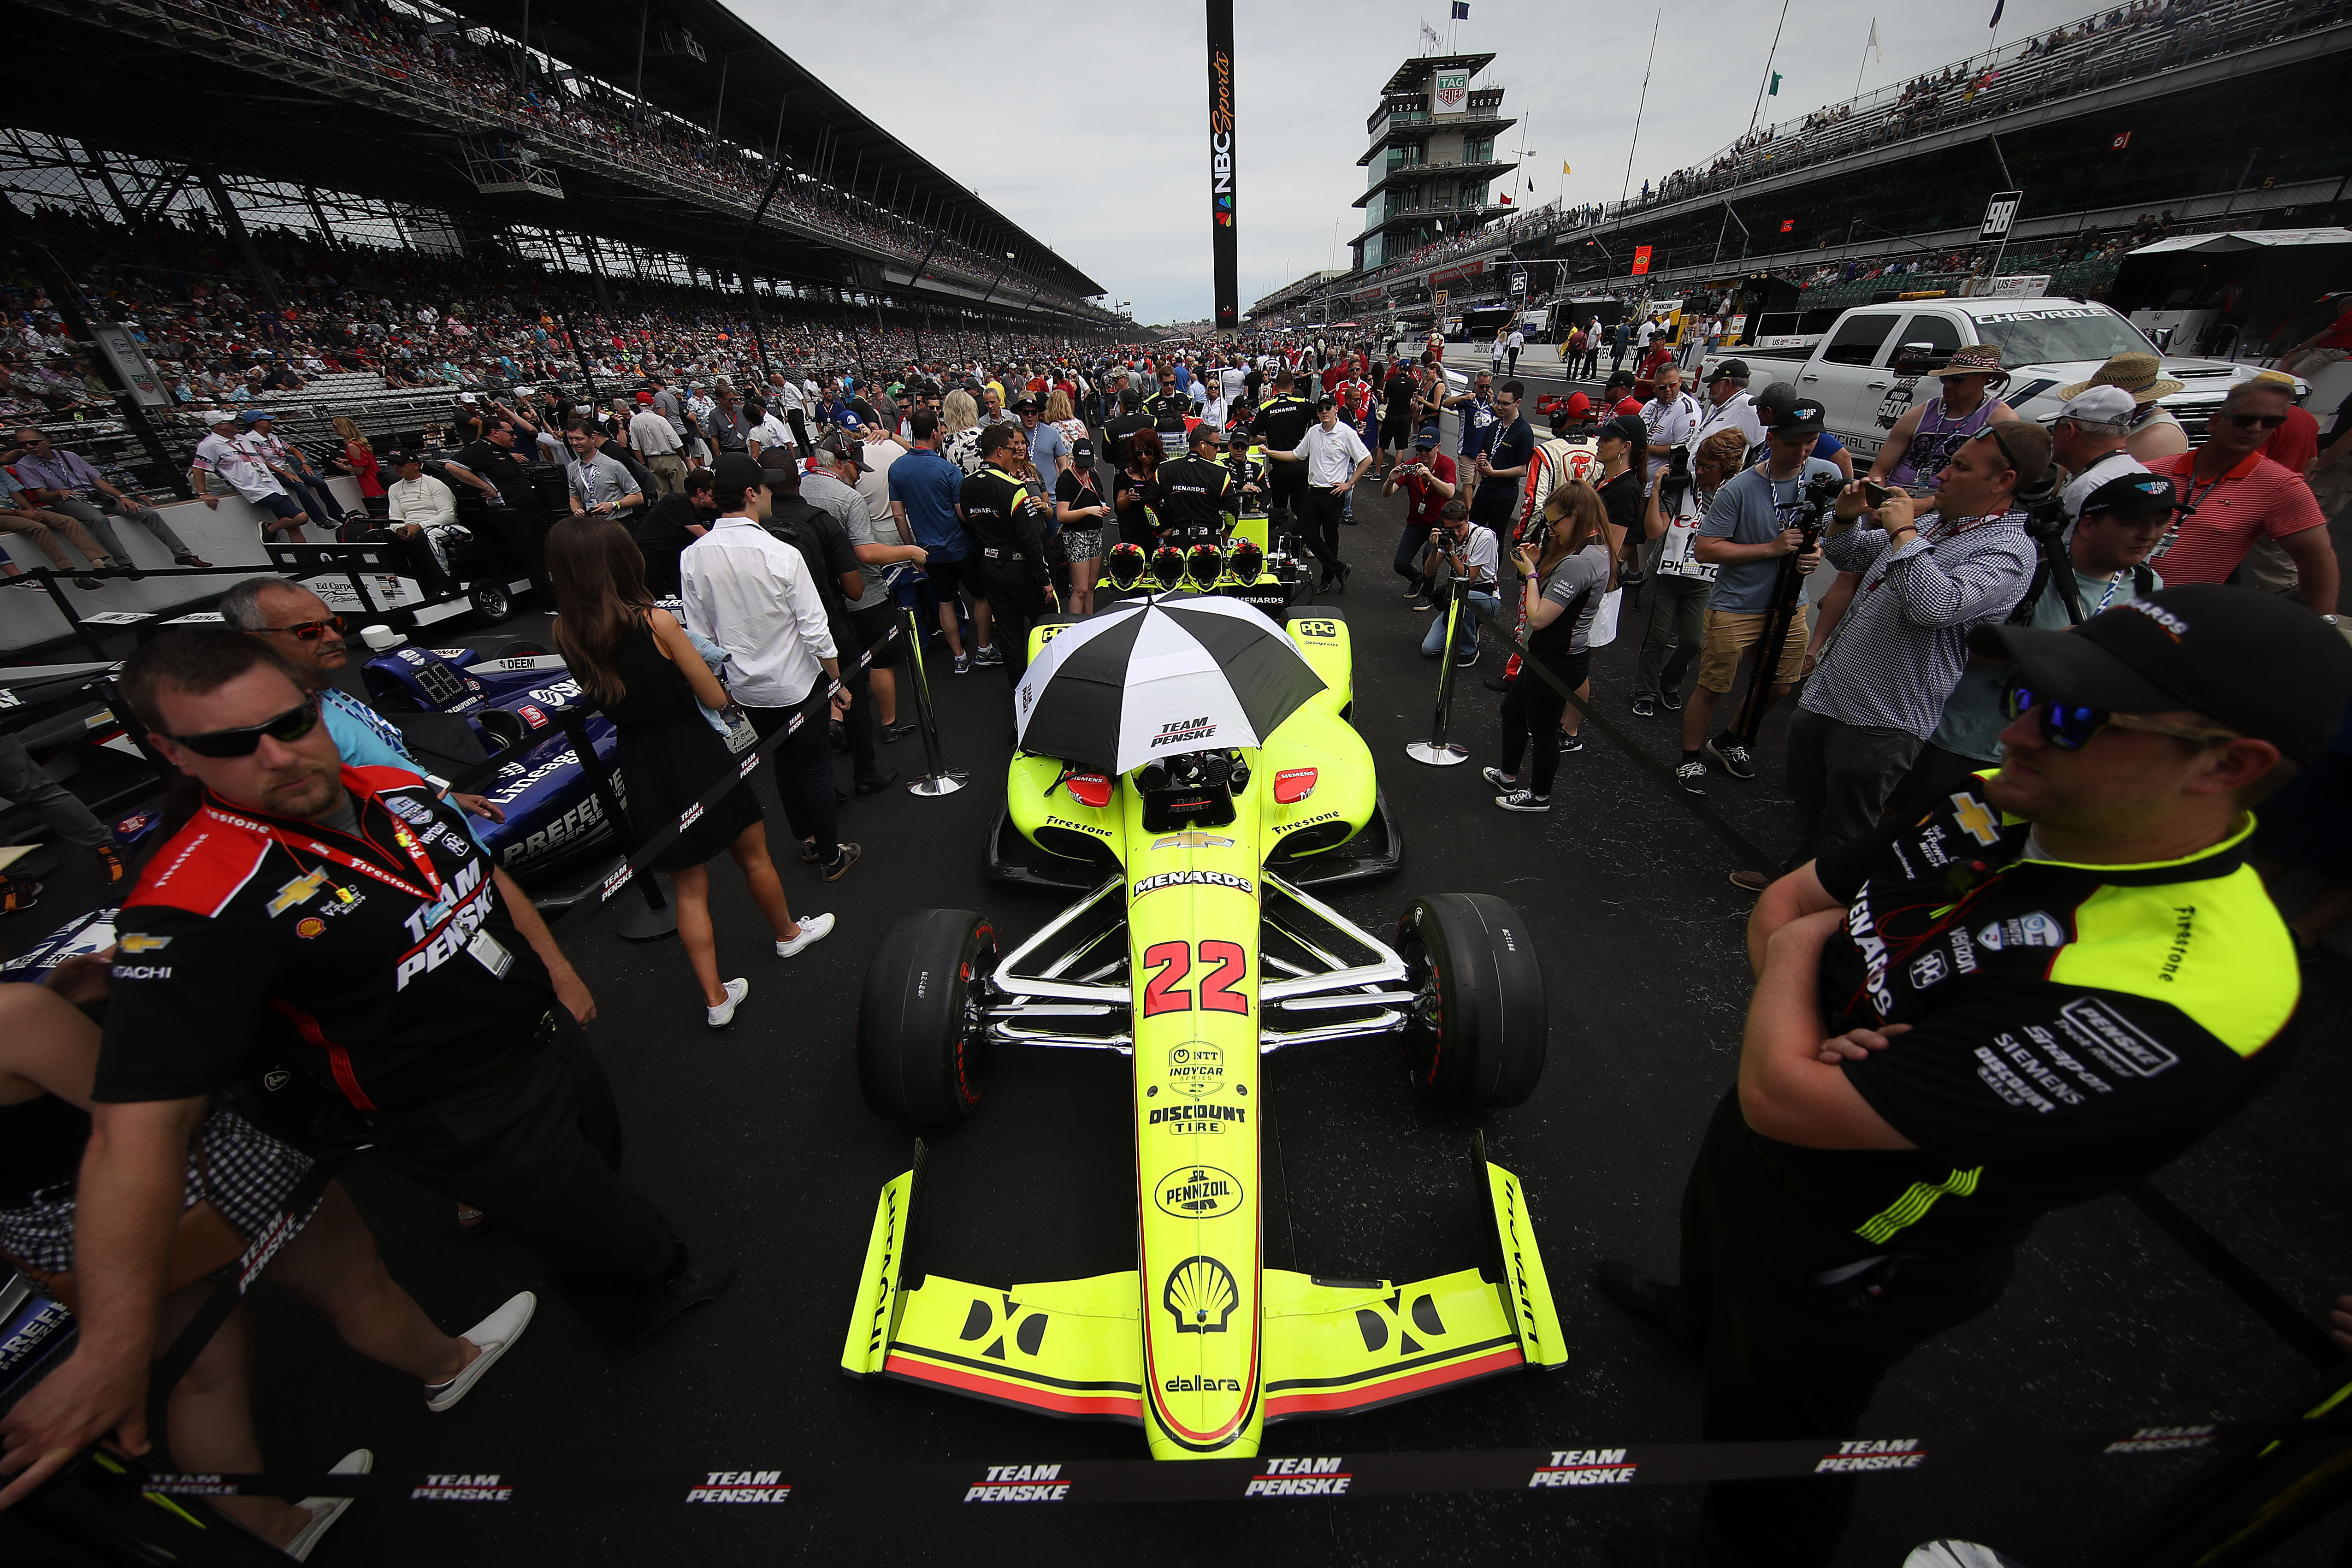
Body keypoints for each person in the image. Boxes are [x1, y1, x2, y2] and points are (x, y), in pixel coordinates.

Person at [1596, 585, 2351, 1568]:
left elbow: (1790, 1065)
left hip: (1866, 1240)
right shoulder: (2007, 789)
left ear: (2227, 762)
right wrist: (1799, 1001)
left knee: (1776, 1438)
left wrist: (1795, 977)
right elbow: (1791, 899)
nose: (2025, 728)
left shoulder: (2192, 987)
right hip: (1770, 1140)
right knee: (1718, 1234)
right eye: (2025, 691)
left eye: (2078, 716)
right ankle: (1699, 1317)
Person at [0, 628, 732, 1487]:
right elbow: (134, 1133)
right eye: (233, 744)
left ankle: (625, 1279)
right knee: (595, 1218)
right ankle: (648, 1297)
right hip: (450, 1105)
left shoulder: (391, 786)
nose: (277, 756)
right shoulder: (188, 906)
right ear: (171, 753)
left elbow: (480, 880)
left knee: (593, 1180)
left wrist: (559, 968)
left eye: (292, 722)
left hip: (541, 1038)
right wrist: (116, 1347)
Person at [0, 969, 535, 1551]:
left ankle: (272, 1531)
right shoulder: (17, 1012)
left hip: (63, 1238)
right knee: (352, 1280)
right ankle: (451, 1361)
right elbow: (158, 1101)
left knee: (202, 1379)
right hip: (194, 1175)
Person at [546, 517, 829, 1028]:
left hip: (640, 761)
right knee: (753, 855)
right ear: (620, 560)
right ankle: (787, 933)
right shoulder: (656, 622)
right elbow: (714, 696)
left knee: (689, 888)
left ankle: (715, 997)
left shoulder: (564, 630)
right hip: (694, 748)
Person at [1781, 421, 2048, 873]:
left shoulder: (2008, 551)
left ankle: (1833, 911)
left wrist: (1904, 533)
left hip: (1883, 715)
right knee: (1807, 799)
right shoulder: (1935, 522)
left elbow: (1934, 605)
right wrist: (1844, 517)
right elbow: (1850, 555)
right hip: (1832, 690)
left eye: (1960, 467)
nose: (1942, 474)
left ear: (2002, 482)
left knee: (1849, 826)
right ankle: (1791, 881)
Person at [1882, 471, 2174, 825]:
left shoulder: (2147, 585)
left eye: (2161, 522)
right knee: (1904, 835)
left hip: (2045, 754)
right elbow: (1953, 648)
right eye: (2136, 523)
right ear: (2088, 525)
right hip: (1956, 742)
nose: (2151, 534)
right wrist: (2048, 650)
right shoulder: (2029, 566)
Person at [681, 454, 860, 882]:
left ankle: (808, 840)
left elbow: (700, 634)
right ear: (750, 494)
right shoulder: (780, 553)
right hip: (797, 681)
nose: (769, 494)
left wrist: (722, 686)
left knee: (783, 762)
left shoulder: (694, 556)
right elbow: (815, 629)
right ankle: (832, 852)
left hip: (747, 686)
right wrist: (838, 680)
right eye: (763, 487)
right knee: (814, 766)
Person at [1679, 399, 1839, 794]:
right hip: (1737, 603)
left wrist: (1816, 551)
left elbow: (1832, 530)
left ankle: (1730, 739)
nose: (1803, 451)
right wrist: (1771, 549)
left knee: (1782, 684)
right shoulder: (1741, 488)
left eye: (1811, 442)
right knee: (1714, 685)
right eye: (1794, 443)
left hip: (1791, 601)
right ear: (1772, 439)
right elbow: (1706, 549)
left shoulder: (1825, 474)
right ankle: (1690, 756)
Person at [2143, 378, 2339, 617]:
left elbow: (2317, 557)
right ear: (2214, 421)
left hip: (2187, 616)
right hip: (2116, 601)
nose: (2256, 428)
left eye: (2270, 422)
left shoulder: (2281, 486)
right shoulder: (2151, 471)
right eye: (2244, 420)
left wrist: (2322, 623)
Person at [1480, 481, 1615, 812]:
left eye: (1555, 524)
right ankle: (1508, 775)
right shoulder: (1594, 549)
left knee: (1543, 731)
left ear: (1577, 516)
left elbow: (1539, 617)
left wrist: (1530, 575)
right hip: (1551, 655)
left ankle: (1540, 796)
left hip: (1557, 660)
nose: (1552, 531)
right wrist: (1537, 567)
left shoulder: (1579, 562)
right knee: (1513, 712)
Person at [810, 431, 920, 768]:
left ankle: (836, 720)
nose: (858, 475)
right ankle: (888, 723)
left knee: (838, 662)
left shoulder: (803, 488)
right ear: (841, 464)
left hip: (821, 595)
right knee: (881, 660)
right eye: (855, 467)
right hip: (862, 592)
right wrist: (910, 551)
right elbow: (866, 551)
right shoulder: (848, 499)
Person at [1634, 430, 1743, 724]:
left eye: (1709, 466)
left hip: (1703, 581)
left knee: (1694, 641)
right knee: (1655, 638)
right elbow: (1655, 531)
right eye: (1699, 463)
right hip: (1665, 576)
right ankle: (1646, 691)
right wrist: (1657, 489)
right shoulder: (1682, 485)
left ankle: (1669, 682)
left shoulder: (1736, 492)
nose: (1700, 471)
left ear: (1728, 466)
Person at [889, 408, 987, 674]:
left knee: (945, 602)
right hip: (960, 547)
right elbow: (961, 514)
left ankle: (959, 657)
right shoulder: (948, 470)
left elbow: (899, 515)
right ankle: (984, 648)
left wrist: (913, 549)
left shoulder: (897, 470)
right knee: (981, 596)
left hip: (929, 551)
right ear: (935, 433)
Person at [959, 424, 1058, 685]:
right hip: (1020, 568)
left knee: (1009, 632)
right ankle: (1046, 684)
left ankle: (1019, 690)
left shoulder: (967, 484)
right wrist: (1045, 579)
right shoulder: (1014, 487)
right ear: (1001, 451)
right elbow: (1032, 538)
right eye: (1012, 448)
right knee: (1045, 625)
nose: (1016, 452)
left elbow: (969, 522)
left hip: (989, 566)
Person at [1867, 344, 2021, 493]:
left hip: (1951, 503)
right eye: (1945, 379)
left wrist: (1928, 504)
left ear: (1984, 378)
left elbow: (1992, 483)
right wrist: (1876, 498)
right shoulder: (1918, 415)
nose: (1948, 385)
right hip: (1896, 494)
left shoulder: (2000, 419)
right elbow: (1879, 472)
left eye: (1958, 378)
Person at [1263, 395, 1371, 594]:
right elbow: (1296, 455)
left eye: (1327, 408)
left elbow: (1366, 459)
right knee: (1307, 533)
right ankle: (1340, 568)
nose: (1323, 412)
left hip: (1334, 493)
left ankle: (1327, 579)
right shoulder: (1313, 432)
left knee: (1331, 538)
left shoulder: (1347, 433)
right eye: (1320, 409)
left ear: (1335, 409)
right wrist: (1270, 453)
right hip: (1313, 492)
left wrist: (1350, 484)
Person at [191, 409, 307, 542]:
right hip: (256, 490)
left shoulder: (243, 438)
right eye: (232, 422)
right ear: (221, 426)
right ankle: (269, 529)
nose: (236, 424)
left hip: (273, 485)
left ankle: (305, 557)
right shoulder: (209, 445)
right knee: (301, 518)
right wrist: (202, 493)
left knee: (294, 527)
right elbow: (198, 468)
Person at [0, 463, 112, 589]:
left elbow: (15, 493)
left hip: (17, 510)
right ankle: (72, 573)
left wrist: (32, 511)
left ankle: (98, 563)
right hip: (6, 514)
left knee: (69, 522)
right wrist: (19, 513)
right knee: (38, 528)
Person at [2048, 385, 2150, 522]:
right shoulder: (2143, 473)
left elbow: (2071, 543)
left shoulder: (2087, 487)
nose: (2052, 437)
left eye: (2053, 430)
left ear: (2069, 432)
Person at [1384, 424, 1459, 609]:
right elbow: (1388, 493)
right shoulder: (1411, 466)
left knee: (1429, 554)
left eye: (1427, 449)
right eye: (1419, 449)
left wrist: (1431, 478)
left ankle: (1428, 593)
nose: (1423, 453)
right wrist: (1390, 480)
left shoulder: (1447, 464)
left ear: (1438, 447)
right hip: (1416, 522)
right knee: (1400, 564)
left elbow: (1450, 493)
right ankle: (1419, 580)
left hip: (1439, 522)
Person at [1419, 500, 1496, 666]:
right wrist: (1435, 549)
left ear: (1467, 519)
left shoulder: (1484, 536)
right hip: (1457, 596)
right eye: (1450, 529)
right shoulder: (1447, 538)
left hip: (1486, 597)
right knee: (1429, 649)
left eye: (1459, 527)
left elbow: (1469, 578)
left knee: (1463, 597)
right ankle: (1466, 626)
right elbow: (1429, 572)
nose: (1456, 533)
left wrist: (1451, 552)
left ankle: (1469, 650)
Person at [236, 412, 341, 533]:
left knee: (319, 482)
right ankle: (320, 520)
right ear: (258, 423)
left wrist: (305, 464)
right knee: (300, 486)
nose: (271, 423)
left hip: (287, 470)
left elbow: (295, 451)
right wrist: (284, 473)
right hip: (273, 473)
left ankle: (336, 514)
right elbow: (261, 461)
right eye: (267, 420)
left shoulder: (272, 437)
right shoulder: (251, 439)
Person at [633, 465, 716, 597]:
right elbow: (704, 535)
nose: (717, 499)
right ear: (700, 493)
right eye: (713, 495)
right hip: (651, 558)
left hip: (677, 559)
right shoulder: (675, 503)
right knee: (652, 600)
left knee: (689, 599)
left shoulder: (710, 510)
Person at [1469, 379, 1534, 542]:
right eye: (1498, 402)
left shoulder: (1524, 432)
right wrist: (1480, 460)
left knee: (1495, 538)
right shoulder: (1494, 426)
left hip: (1504, 495)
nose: (1500, 407)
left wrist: (1495, 473)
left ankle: (1492, 568)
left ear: (1518, 403)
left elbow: (1524, 469)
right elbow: (1483, 452)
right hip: (1485, 489)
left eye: (1505, 404)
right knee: (1472, 533)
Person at [1053, 436, 1111, 617]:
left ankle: (1089, 622)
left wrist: (1101, 509)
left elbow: (1100, 498)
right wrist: (1088, 511)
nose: (1085, 469)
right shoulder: (1066, 479)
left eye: (1088, 465)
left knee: (1092, 585)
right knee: (1080, 589)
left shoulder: (1093, 475)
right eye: (1081, 465)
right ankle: (1073, 626)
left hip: (1095, 533)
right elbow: (1062, 515)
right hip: (1076, 536)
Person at [565, 422, 644, 521]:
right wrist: (577, 511)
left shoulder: (613, 466)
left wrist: (613, 505)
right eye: (571, 439)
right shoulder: (573, 468)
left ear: (593, 438)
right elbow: (575, 498)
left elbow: (638, 497)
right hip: (593, 524)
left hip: (618, 523)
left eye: (580, 439)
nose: (575, 443)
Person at [630, 391, 687, 496]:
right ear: (653, 404)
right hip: (670, 458)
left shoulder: (634, 421)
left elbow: (636, 447)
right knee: (682, 491)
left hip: (652, 461)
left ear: (638, 405)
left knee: (663, 494)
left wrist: (643, 464)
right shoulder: (660, 419)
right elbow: (676, 443)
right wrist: (683, 456)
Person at [330, 415, 387, 519]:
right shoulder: (358, 442)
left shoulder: (352, 445)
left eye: (335, 426)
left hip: (370, 482)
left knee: (380, 511)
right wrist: (349, 461)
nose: (333, 429)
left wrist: (344, 468)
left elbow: (360, 470)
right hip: (375, 478)